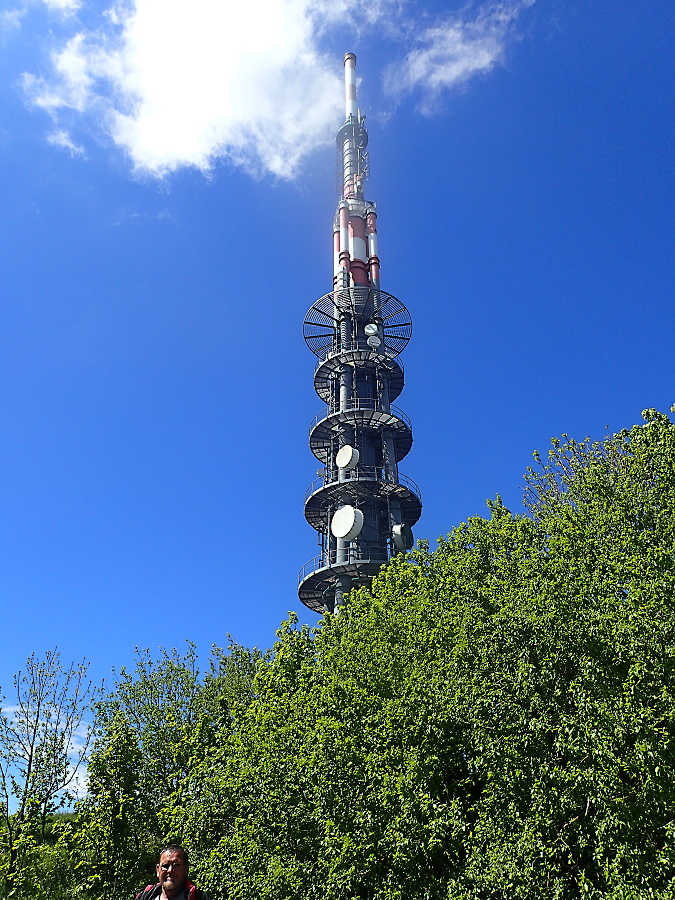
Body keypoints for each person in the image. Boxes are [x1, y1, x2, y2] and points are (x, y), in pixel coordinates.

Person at [134, 844, 212, 900]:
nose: (170, 870)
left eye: (176, 865)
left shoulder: (200, 897)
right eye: (165, 866)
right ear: (158, 870)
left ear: (186, 869)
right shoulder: (144, 897)